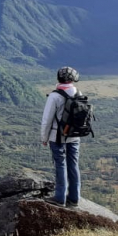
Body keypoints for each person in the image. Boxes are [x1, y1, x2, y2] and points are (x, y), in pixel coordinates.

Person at [41, 66, 81, 207]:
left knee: (60, 166)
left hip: (57, 137)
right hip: (74, 136)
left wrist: (44, 138)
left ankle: (59, 198)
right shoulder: (77, 92)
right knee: (73, 166)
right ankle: (74, 198)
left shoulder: (55, 96)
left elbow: (47, 119)